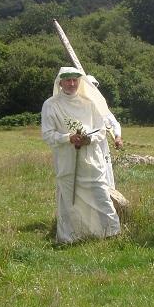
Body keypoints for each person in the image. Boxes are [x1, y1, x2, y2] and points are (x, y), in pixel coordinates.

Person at [41, 67, 120, 244]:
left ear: (80, 81)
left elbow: (101, 130)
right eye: (67, 80)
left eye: (75, 80)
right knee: (70, 200)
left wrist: (87, 139)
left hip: (91, 160)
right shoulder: (51, 105)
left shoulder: (89, 103)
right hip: (67, 161)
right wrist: (67, 138)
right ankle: (72, 237)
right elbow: (47, 134)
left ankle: (110, 233)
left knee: (100, 195)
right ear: (60, 82)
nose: (71, 83)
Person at [85, 75, 123, 189]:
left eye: (94, 86)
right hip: (85, 145)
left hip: (102, 144)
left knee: (105, 167)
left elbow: (114, 123)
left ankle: (109, 192)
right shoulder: (79, 105)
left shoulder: (102, 106)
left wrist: (117, 137)